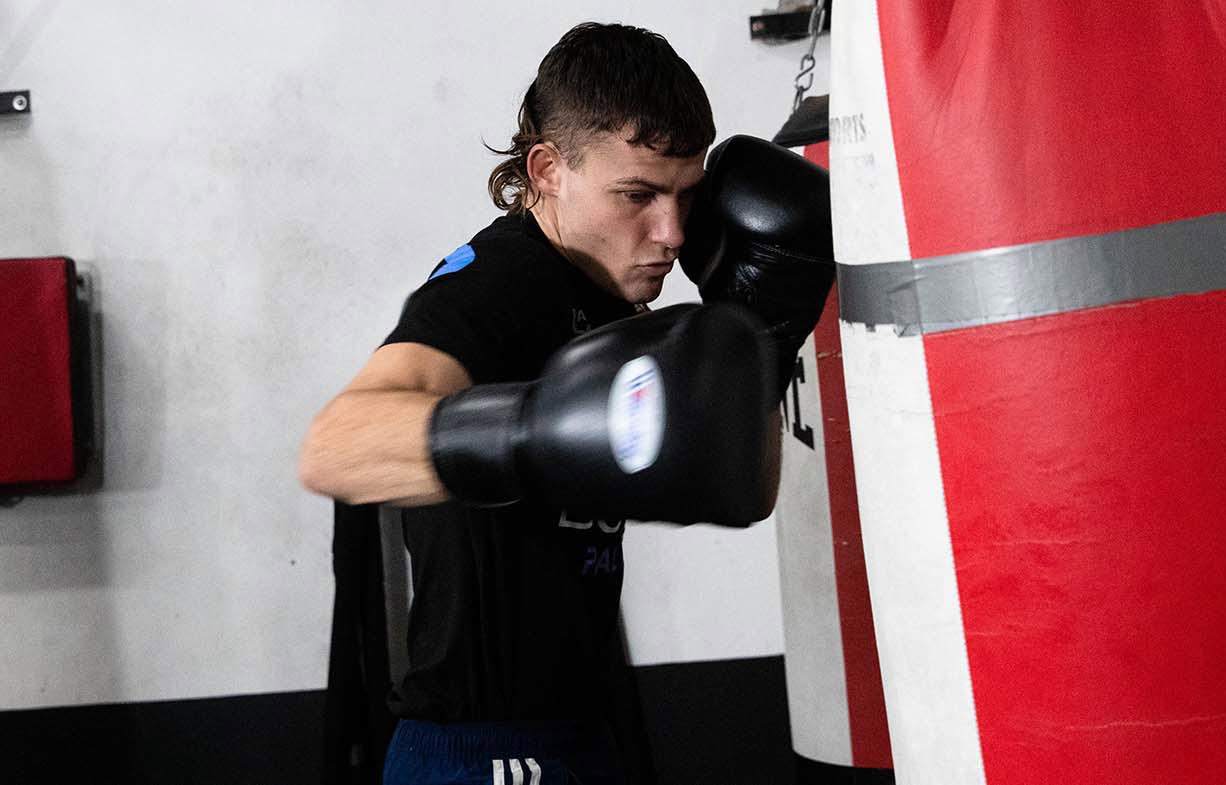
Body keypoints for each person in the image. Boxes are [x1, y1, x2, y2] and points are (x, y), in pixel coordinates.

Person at [299, 21, 833, 785]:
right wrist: (529, 430)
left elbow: (750, 488)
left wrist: (765, 339)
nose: (672, 232)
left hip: (581, 731)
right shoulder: (501, 278)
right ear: (548, 169)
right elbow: (332, 446)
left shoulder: (614, 302)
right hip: (480, 753)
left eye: (684, 196)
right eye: (638, 195)